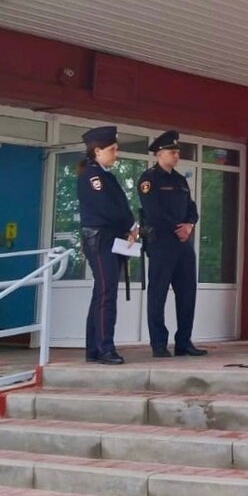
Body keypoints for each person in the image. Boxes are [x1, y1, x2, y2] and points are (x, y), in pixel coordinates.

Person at [138, 130, 206, 358]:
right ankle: (159, 344)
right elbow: (153, 211)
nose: (177, 155)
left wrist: (189, 225)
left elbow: (191, 207)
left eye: (177, 152)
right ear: (159, 154)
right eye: (172, 152)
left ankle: (184, 342)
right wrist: (178, 228)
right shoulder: (149, 179)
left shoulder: (180, 180)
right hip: (162, 243)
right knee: (158, 294)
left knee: (187, 294)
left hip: (183, 244)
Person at [77, 125, 137, 365]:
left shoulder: (105, 176)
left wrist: (131, 226)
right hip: (101, 239)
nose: (116, 154)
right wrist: (130, 225)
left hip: (110, 238)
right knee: (106, 294)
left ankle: (94, 348)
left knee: (101, 293)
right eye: (112, 149)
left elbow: (121, 206)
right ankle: (105, 348)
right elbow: (106, 208)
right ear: (97, 151)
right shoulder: (93, 176)